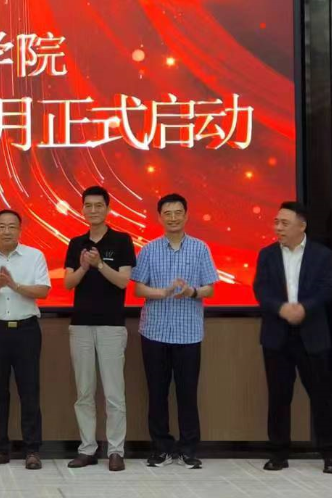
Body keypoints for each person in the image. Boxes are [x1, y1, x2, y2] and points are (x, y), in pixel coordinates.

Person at [253, 201, 332, 474]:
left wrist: (304, 308)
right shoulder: (267, 254)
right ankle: (278, 454)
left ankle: (330, 454)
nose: (278, 227)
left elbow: (328, 288)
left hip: (312, 334)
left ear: (302, 226)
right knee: (279, 397)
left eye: (284, 223)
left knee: (322, 396)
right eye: (276, 222)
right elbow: (260, 289)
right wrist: (281, 308)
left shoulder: (322, 255)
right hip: (277, 335)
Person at [132, 193, 217, 470]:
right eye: (167, 213)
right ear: (159, 217)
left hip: (188, 333)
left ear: (186, 215)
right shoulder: (148, 250)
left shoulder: (200, 248)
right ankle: (162, 449)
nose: (173, 218)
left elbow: (210, 288)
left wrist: (192, 291)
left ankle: (188, 449)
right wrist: (163, 292)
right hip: (154, 332)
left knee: (187, 394)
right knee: (156, 394)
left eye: (178, 212)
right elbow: (138, 288)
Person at [0, 209, 50, 471]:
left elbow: (44, 291)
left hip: (26, 331)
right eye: (2, 226)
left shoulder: (34, 256)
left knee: (30, 391)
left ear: (20, 230)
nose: (6, 231)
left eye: (12, 226)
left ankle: (32, 450)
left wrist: (15, 286)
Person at [63, 187, 136, 472]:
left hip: (111, 325)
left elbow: (123, 282)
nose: (93, 210)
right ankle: (87, 449)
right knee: (84, 392)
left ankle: (115, 450)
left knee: (114, 393)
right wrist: (84, 267)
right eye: (88, 206)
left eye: (98, 205)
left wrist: (100, 264)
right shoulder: (75, 242)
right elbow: (68, 284)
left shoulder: (122, 240)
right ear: (82, 209)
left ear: (108, 208)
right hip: (80, 325)